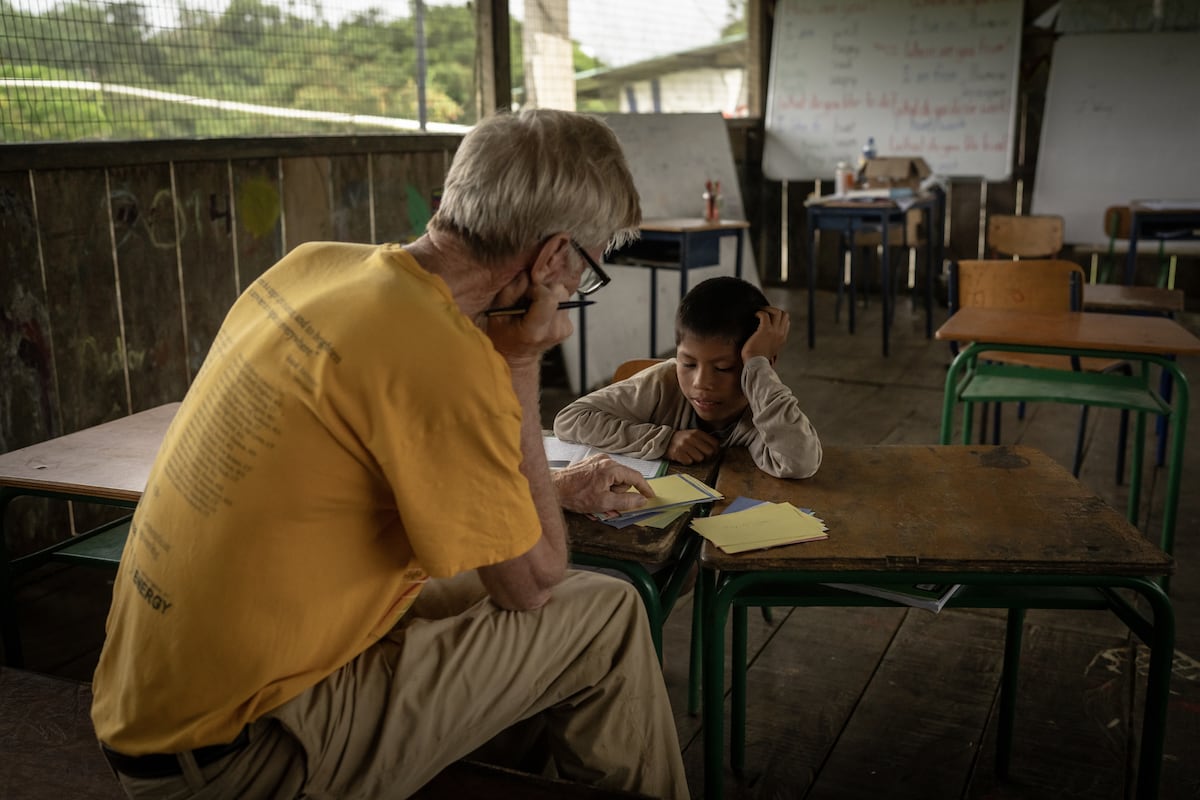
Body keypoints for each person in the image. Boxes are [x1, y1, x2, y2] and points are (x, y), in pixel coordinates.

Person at [90, 109, 691, 800]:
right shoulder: (447, 360)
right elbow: (535, 581)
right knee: (603, 617)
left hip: (147, 706)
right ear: (554, 259)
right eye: (585, 269)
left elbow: (391, 471)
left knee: (508, 610)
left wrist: (554, 486)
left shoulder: (314, 267)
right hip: (238, 761)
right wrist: (520, 362)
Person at [554, 275, 821, 479]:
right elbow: (569, 420)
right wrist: (663, 441)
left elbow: (800, 461)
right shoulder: (663, 383)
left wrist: (757, 364)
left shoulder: (762, 407)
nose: (701, 383)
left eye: (723, 368)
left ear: (762, 365)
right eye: (688, 363)